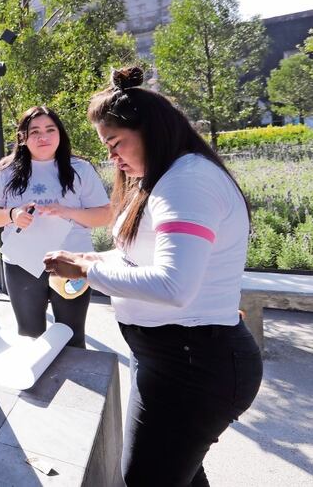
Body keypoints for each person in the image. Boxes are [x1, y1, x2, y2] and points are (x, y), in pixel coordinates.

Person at [44, 67, 263, 487]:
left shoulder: (187, 184)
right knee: (176, 472)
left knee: (148, 478)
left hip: (194, 364)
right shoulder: (166, 177)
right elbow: (137, 253)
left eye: (115, 143)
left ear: (151, 130)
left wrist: (88, 270)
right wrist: (91, 256)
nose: (113, 158)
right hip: (173, 358)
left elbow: (173, 285)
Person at [0, 106, 111, 348]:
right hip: (22, 264)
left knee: (71, 336)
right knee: (31, 337)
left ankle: (75, 386)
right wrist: (12, 214)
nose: (44, 137)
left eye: (50, 130)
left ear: (60, 134)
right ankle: (38, 386)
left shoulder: (80, 169)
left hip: (72, 263)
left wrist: (67, 211)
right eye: (35, 131)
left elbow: (104, 215)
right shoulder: (6, 170)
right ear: (22, 137)